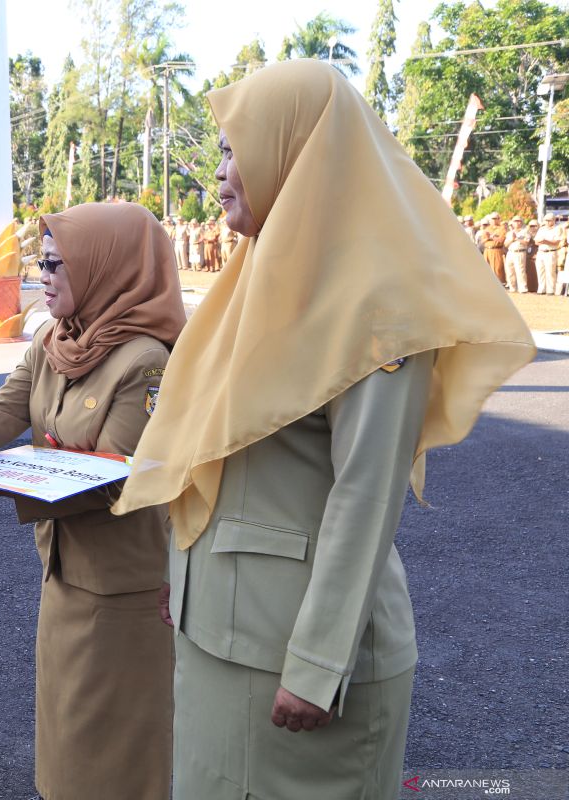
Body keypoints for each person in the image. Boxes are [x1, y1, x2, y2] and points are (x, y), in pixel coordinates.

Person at [113, 60, 535, 800]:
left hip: (297, 660)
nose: (220, 171)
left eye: (233, 148)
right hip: (219, 635)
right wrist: (185, 574)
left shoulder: (379, 300)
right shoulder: (255, 278)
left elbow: (366, 494)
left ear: (293, 149)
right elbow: (215, 451)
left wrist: (316, 665)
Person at [0, 203, 185, 800]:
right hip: (64, 578)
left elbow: (116, 476)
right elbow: (1, 413)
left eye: (56, 263)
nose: (41, 276)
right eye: (38, 263)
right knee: (65, 746)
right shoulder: (55, 340)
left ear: (106, 269)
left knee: (117, 757)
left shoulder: (145, 362)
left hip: (123, 593)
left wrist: (0, 480)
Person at [503, 216, 530, 293]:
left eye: (519, 221)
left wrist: (516, 239)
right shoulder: (509, 233)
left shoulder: (525, 231)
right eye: (515, 221)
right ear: (512, 223)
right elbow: (505, 244)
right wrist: (511, 239)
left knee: (520, 270)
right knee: (510, 271)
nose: (517, 223)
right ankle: (512, 288)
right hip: (510, 252)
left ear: (522, 222)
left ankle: (523, 288)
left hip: (520, 251)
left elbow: (526, 242)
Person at [482, 211, 507, 284]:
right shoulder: (487, 229)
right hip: (487, 250)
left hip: (496, 250)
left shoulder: (502, 229)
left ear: (499, 219)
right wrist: (492, 237)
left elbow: (501, 240)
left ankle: (499, 284)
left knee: (497, 269)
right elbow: (483, 240)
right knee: (486, 269)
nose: (494, 220)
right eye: (492, 219)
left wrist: (490, 237)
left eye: (496, 218)